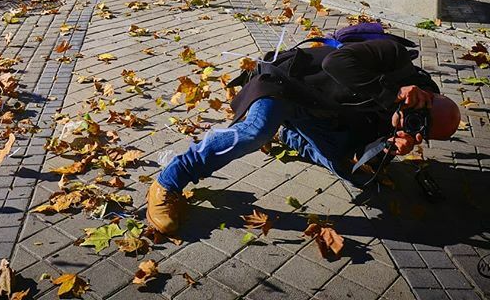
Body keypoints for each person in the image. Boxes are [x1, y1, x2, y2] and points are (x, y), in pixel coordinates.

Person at [146, 38, 461, 235]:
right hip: (286, 85)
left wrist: (388, 146)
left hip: (317, 114)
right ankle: (170, 179)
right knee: (255, 132)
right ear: (427, 98)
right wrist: (391, 92)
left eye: (423, 134)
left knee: (355, 172)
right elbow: (335, 62)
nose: (414, 127)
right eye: (421, 119)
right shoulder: (394, 57)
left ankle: (291, 137)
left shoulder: (406, 123)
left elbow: (357, 145)